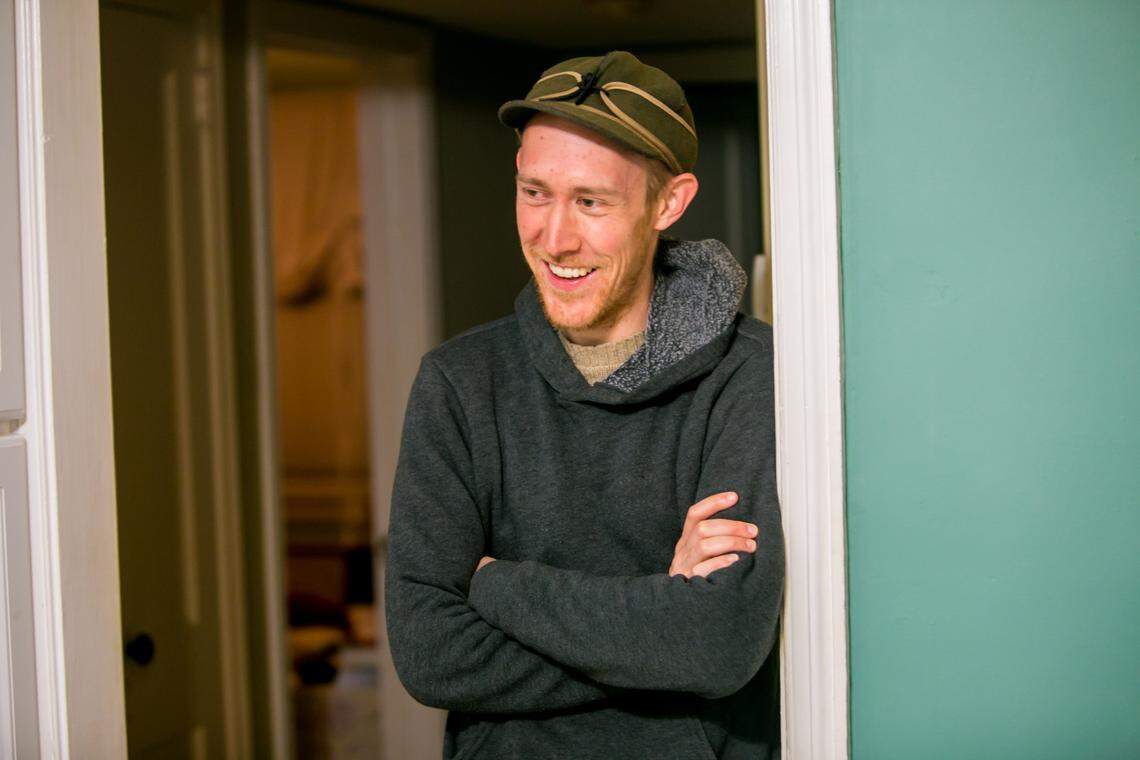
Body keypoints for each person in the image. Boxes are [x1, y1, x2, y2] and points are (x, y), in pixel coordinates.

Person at [384, 50, 785, 759]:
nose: (554, 238)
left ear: (668, 203)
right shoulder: (459, 382)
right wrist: (658, 616)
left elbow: (716, 644)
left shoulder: (754, 375)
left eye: (591, 202)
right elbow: (431, 653)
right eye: (534, 192)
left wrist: (496, 586)